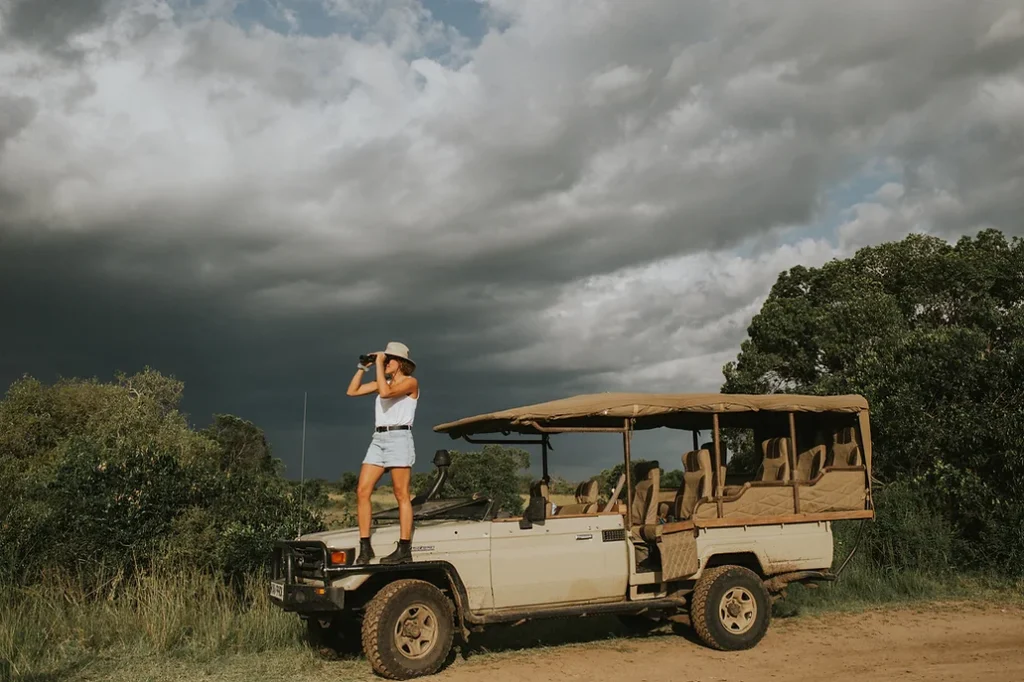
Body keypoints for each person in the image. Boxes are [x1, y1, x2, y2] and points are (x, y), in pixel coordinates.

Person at [346, 341, 419, 565]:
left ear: (400, 364)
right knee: (362, 491)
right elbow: (352, 391)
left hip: (399, 437)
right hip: (378, 439)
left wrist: (378, 363)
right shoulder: (382, 382)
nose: (385, 363)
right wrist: (363, 367)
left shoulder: (410, 382)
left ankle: (404, 548)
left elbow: (386, 394)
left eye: (389, 360)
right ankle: (365, 547)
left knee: (401, 494)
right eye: (384, 359)